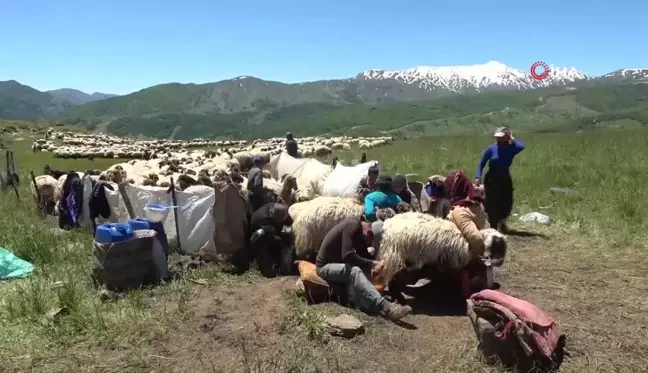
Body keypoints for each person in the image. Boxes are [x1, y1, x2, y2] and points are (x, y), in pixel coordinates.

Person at [316, 218, 412, 321]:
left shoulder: (360, 234)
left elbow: (364, 255)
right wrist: (372, 263)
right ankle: (387, 308)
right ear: (368, 232)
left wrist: (383, 264)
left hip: (337, 264)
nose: (369, 242)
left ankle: (368, 302)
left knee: (364, 267)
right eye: (370, 239)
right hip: (324, 267)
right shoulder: (352, 225)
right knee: (354, 271)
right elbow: (347, 255)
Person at [475, 127, 525, 233]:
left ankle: (502, 223)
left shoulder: (511, 148)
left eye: (501, 137)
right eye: (497, 137)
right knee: (492, 203)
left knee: (506, 202)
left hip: (505, 178)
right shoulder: (491, 149)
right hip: (492, 179)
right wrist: (478, 177)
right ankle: (493, 227)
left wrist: (512, 137)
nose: (498, 139)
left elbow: (521, 146)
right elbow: (481, 163)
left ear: (506, 137)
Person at [444, 170, 488, 261]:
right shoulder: (476, 203)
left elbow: (476, 239)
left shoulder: (460, 211)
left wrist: (472, 257)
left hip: (462, 256)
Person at [250, 203, 295, 277]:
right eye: (282, 217)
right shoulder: (262, 219)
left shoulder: (279, 210)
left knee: (287, 239)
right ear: (274, 216)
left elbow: (288, 221)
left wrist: (290, 231)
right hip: (261, 236)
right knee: (262, 236)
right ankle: (268, 268)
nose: (285, 218)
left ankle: (286, 265)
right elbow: (274, 237)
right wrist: (284, 241)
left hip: (272, 229)